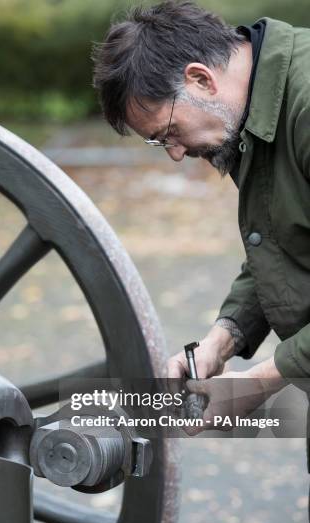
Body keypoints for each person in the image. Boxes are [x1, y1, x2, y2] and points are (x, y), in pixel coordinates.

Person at [92, 0, 310, 388]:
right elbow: (286, 240)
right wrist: (222, 339)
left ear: (201, 80)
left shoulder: (304, 108)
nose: (176, 154)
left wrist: (259, 383)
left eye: (170, 132)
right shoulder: (251, 112)